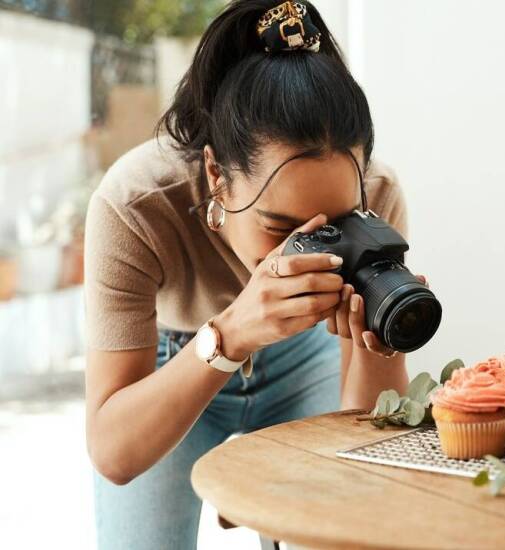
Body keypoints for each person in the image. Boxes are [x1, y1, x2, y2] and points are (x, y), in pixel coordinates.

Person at [83, 2, 424, 548]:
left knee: (336, 533)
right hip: (175, 357)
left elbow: (366, 460)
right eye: (281, 226)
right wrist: (233, 332)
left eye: (337, 226)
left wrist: (379, 346)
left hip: (305, 352)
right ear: (216, 174)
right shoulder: (137, 204)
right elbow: (113, 452)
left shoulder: (377, 195)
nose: (301, 250)